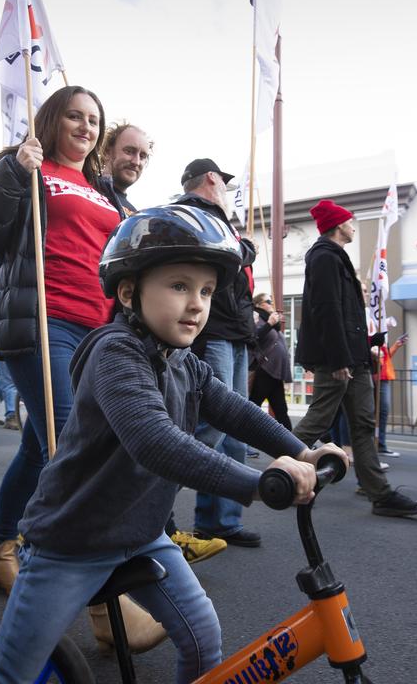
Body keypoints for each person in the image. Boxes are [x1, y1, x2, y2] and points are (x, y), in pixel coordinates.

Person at [0, 205, 348, 684]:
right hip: (72, 541)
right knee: (3, 677)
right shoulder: (115, 351)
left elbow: (232, 409)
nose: (197, 304)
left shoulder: (185, 361)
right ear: (129, 292)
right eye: (179, 286)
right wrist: (258, 484)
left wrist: (301, 451)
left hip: (142, 535)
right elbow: (154, 441)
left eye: (206, 291)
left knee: (204, 638)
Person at [0, 85, 157, 647]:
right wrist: (14, 173)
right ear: (51, 120)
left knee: (37, 445)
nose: (86, 127)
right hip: (43, 325)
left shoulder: (101, 189)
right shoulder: (26, 166)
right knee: (78, 455)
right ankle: (106, 608)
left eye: (93, 119)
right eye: (74, 115)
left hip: (98, 335)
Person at [293, 199, 417, 517]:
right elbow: (326, 310)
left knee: (363, 425)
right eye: (350, 222)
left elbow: (342, 314)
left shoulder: (333, 257)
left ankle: (380, 494)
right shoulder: (324, 257)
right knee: (319, 420)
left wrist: (367, 341)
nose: (353, 226)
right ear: (339, 225)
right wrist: (340, 358)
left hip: (352, 358)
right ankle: (278, 464)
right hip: (339, 360)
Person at [174, 158, 263, 548]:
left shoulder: (217, 219)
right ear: (212, 179)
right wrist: (241, 249)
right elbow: (213, 258)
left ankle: (221, 520)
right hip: (215, 332)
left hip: (234, 331)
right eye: (223, 184)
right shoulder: (194, 213)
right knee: (208, 428)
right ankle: (143, 506)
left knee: (232, 430)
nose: (227, 190)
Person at [247, 293, 292, 431]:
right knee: (253, 407)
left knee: (281, 410)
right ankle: (240, 442)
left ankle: (296, 446)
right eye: (268, 301)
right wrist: (269, 323)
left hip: (275, 372)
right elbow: (253, 337)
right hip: (265, 369)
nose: (272, 303)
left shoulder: (270, 321)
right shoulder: (256, 318)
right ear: (259, 304)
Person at [100, 121, 152, 214]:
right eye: (129, 151)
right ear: (107, 152)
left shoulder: (135, 215)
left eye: (142, 156)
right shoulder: (82, 190)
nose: (136, 162)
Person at [374, 331, 407, 458]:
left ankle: (380, 444)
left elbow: (386, 357)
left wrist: (396, 345)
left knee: (381, 412)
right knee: (380, 411)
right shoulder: (376, 335)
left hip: (383, 376)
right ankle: (379, 444)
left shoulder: (381, 338)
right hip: (380, 377)